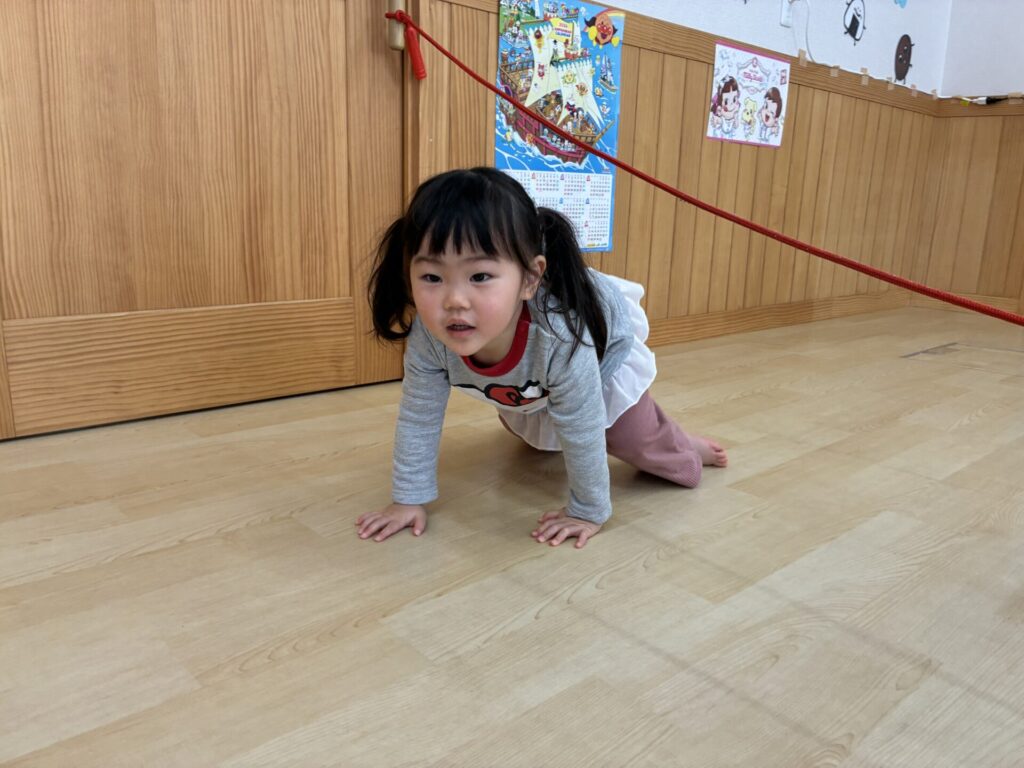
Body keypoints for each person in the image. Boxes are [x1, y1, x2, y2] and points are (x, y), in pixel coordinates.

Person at [358, 167, 727, 549]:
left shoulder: (560, 336)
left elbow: (582, 426)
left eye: (479, 276)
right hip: (533, 384)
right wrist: (408, 499)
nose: (454, 301)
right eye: (432, 278)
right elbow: (419, 416)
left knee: (634, 440)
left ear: (530, 279)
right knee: (534, 432)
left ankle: (683, 445)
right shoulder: (429, 336)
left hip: (600, 363)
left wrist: (588, 511)